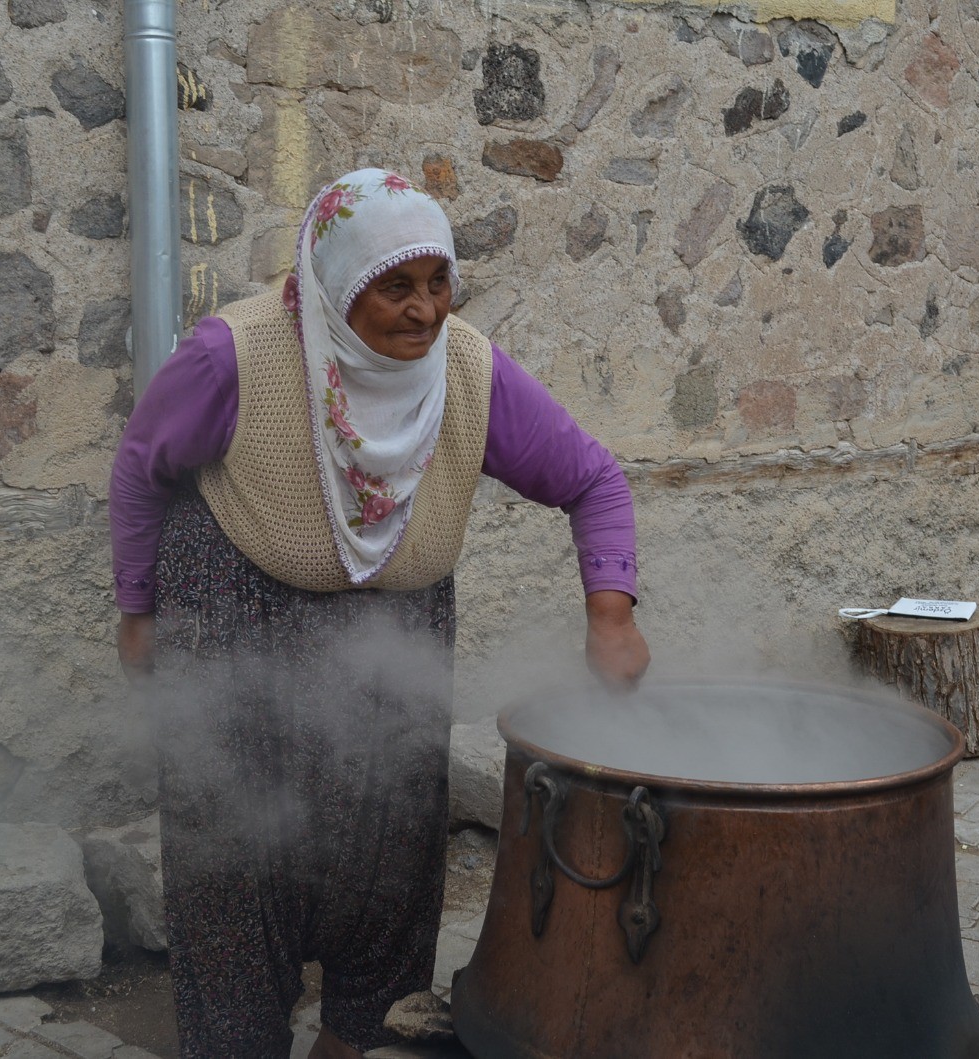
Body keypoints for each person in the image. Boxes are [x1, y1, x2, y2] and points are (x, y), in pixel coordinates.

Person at [109, 168, 650, 1058]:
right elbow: (141, 466)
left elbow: (592, 479)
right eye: (395, 285)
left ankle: (355, 1040)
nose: (426, 310)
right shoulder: (233, 355)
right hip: (235, 622)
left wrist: (612, 614)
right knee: (237, 862)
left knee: (388, 864)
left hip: (396, 639)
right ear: (336, 282)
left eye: (439, 281)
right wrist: (138, 611)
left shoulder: (468, 371)